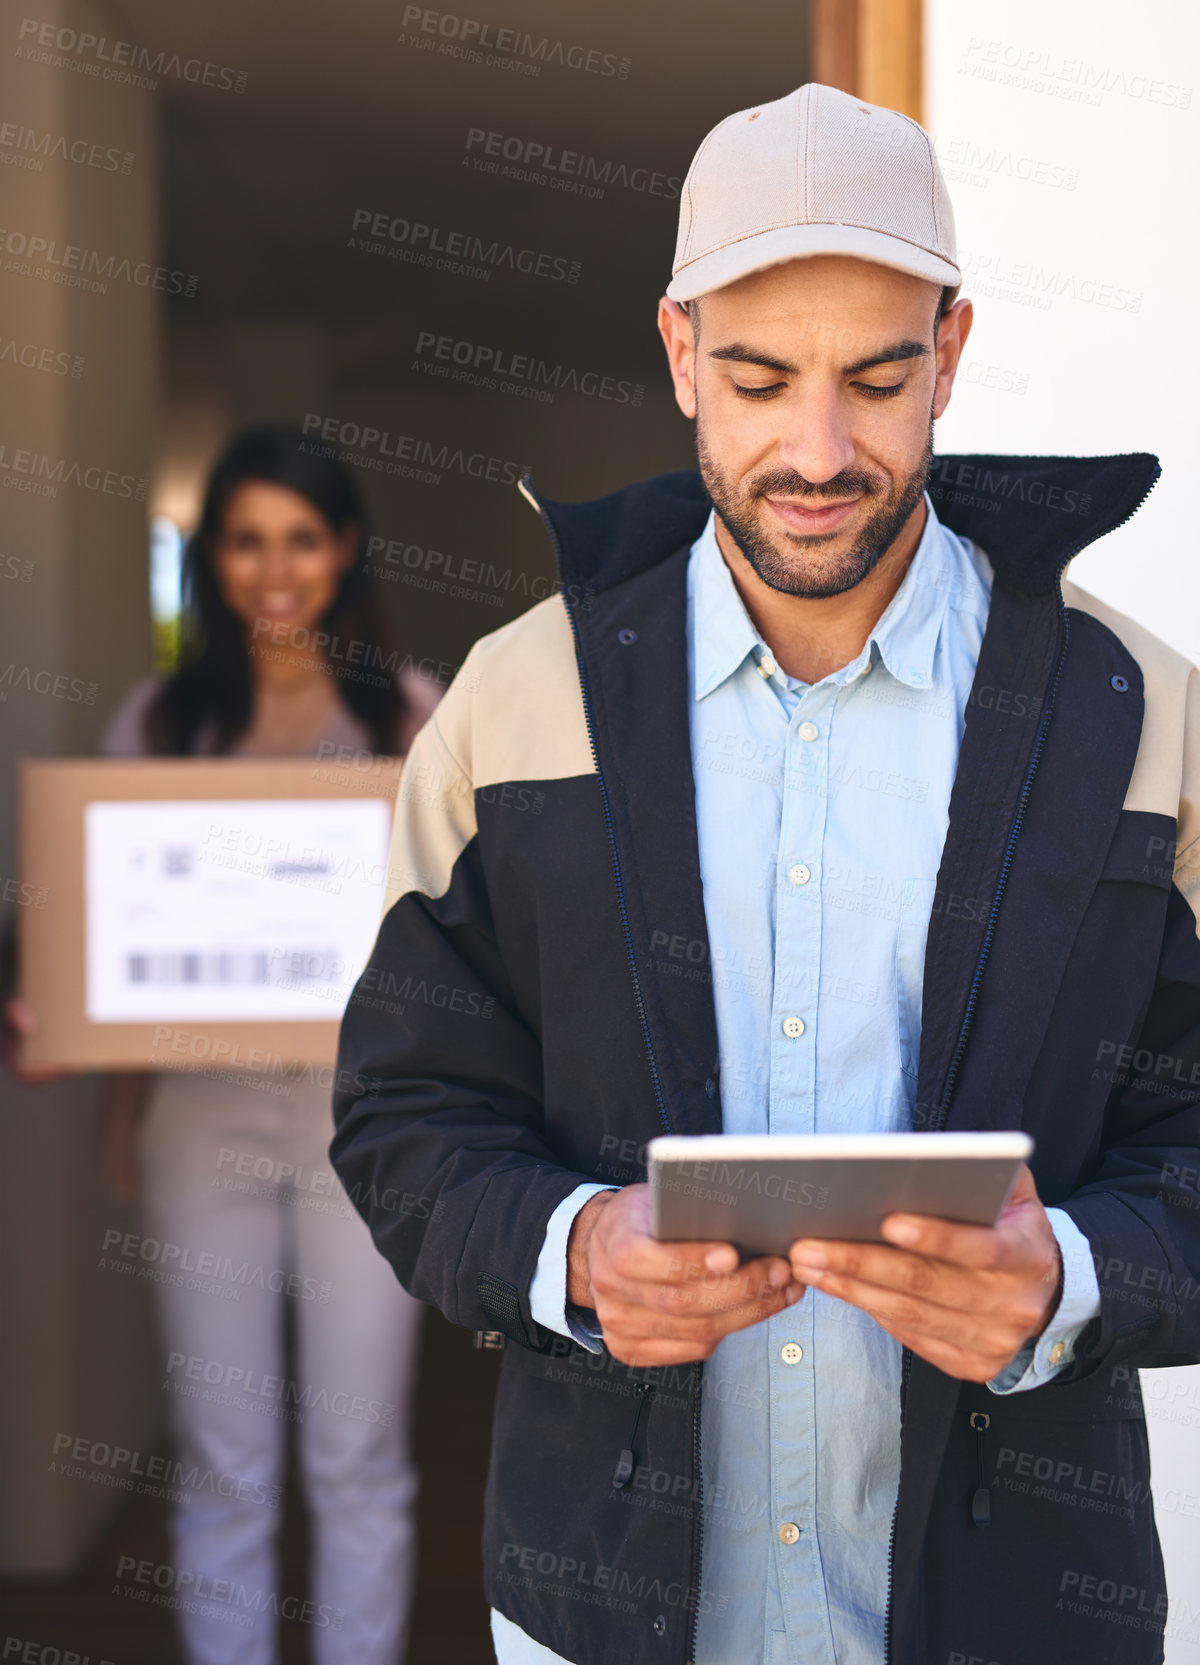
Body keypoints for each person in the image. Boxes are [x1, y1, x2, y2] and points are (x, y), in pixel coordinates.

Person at [328, 83, 1200, 1665]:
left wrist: (1070, 1276)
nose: (819, 451)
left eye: (877, 379)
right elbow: (405, 1111)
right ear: (677, 358)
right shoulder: (515, 704)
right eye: (756, 378)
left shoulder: (1139, 718)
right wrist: (570, 1254)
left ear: (951, 351)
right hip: (608, 1613)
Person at [9, 425, 437, 1664]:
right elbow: (116, 936)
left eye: (301, 538)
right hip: (201, 1121)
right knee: (221, 1456)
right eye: (246, 541)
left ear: (346, 548)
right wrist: (94, 1077)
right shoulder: (163, 720)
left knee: (357, 1452)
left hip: (367, 1130)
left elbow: (468, 939)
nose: (276, 569)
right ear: (215, 559)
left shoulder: (414, 719)